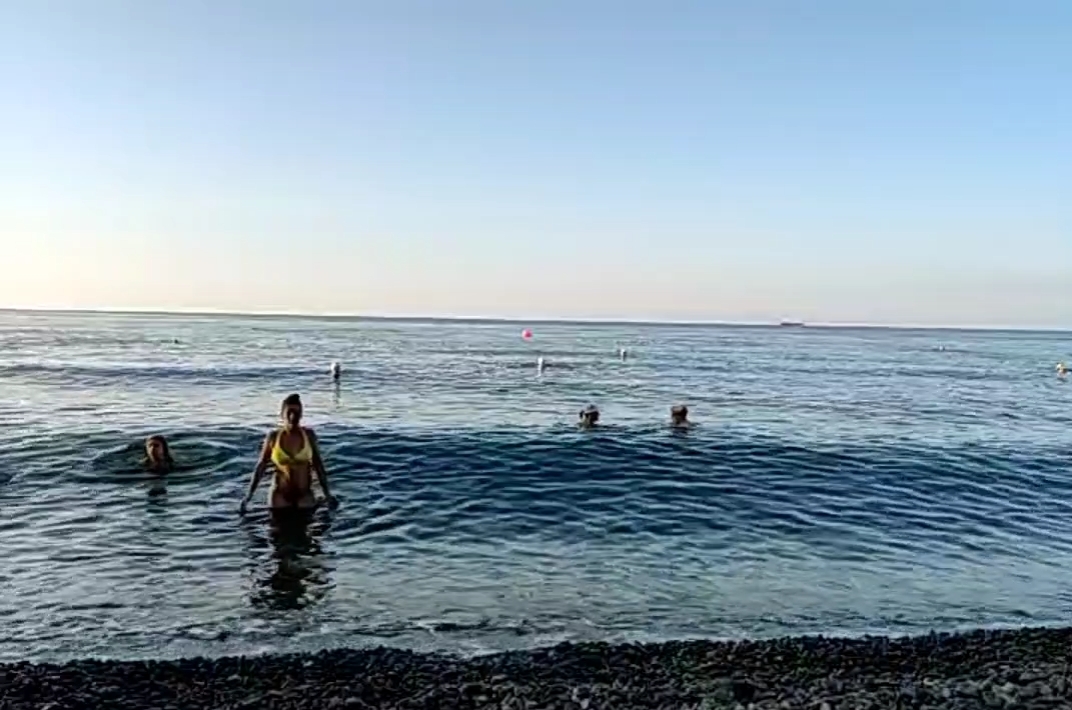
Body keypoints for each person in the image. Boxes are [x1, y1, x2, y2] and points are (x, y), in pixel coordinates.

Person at [239, 393, 338, 514]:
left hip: (304, 495)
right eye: (289, 412)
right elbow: (261, 466)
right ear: (282, 414)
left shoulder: (308, 435)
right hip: (280, 496)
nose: (293, 416)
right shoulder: (273, 437)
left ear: (301, 414)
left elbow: (318, 466)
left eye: (297, 412)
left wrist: (327, 494)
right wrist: (248, 496)